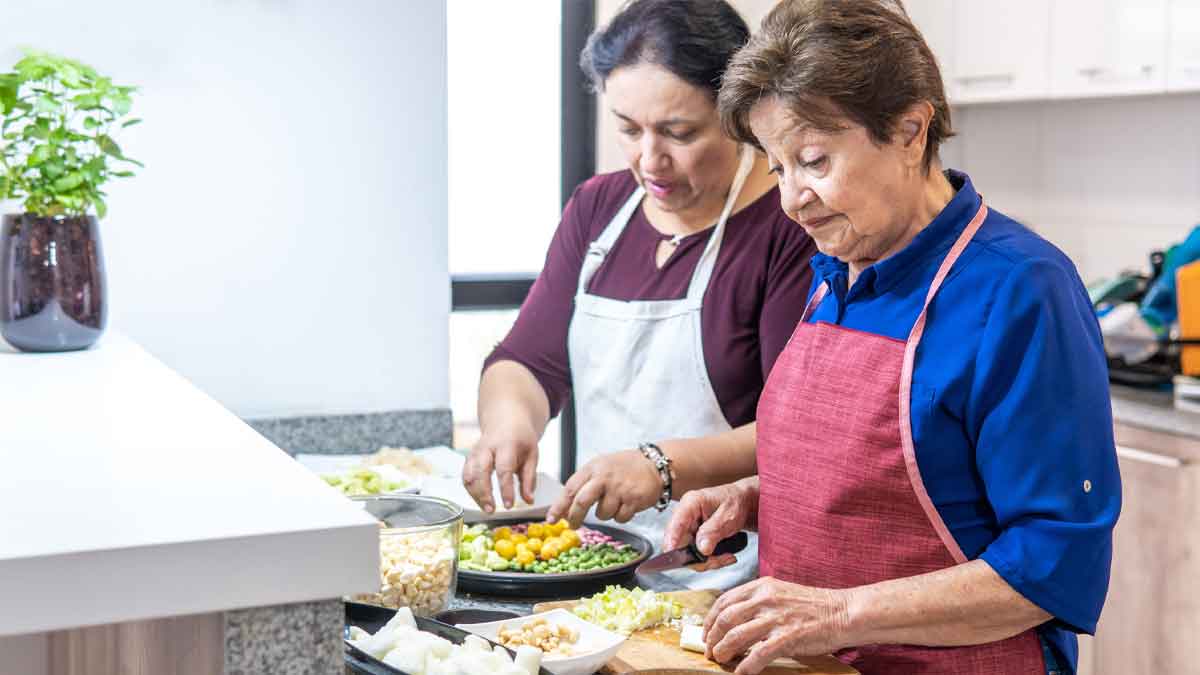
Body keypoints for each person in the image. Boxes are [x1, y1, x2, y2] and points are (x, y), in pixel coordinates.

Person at [660, 1, 1122, 673]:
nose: (793, 198)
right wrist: (764, 499)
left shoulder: (1021, 290)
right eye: (778, 166)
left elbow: (1053, 561)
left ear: (910, 130)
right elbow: (904, 486)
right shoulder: (836, 273)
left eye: (814, 159)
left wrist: (838, 612)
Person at [460, 0, 817, 589]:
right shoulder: (598, 209)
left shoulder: (788, 230)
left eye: (679, 133)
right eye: (628, 129)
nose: (650, 160)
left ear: (737, 115)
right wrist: (508, 422)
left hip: (730, 573)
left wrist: (661, 466)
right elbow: (529, 359)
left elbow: (798, 430)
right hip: (605, 561)